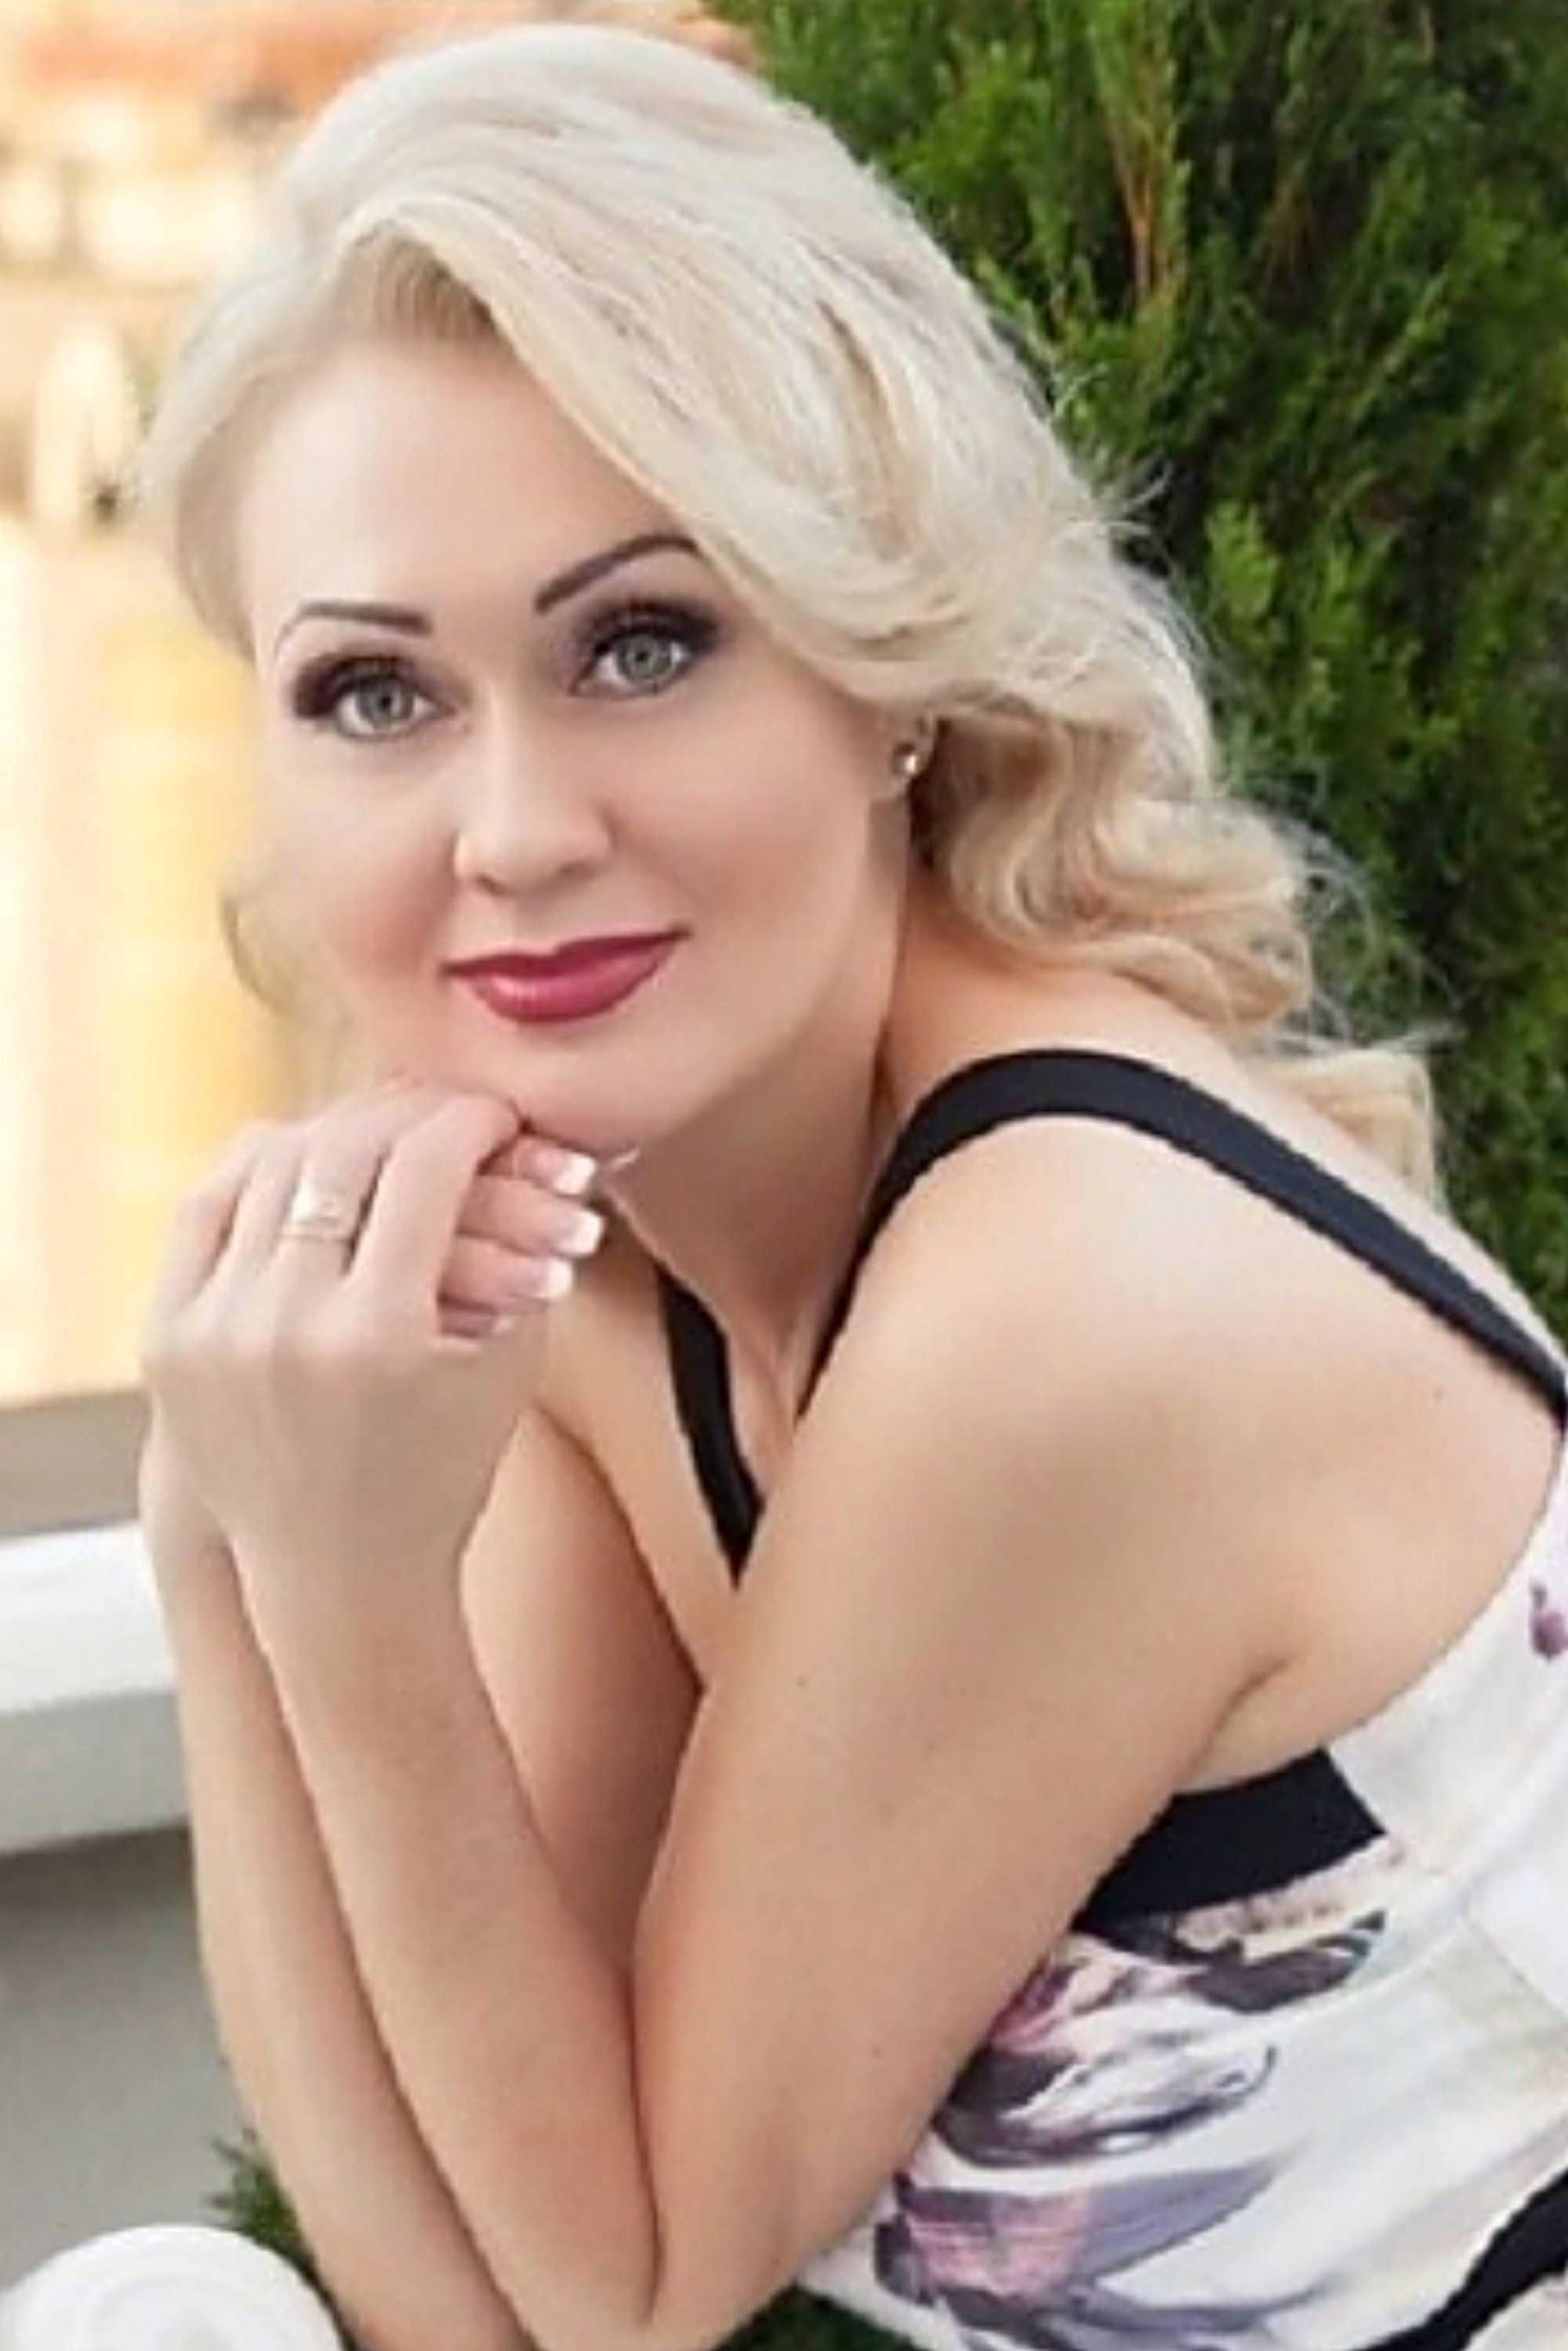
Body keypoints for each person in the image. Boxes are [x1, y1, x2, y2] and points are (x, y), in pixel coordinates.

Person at [25, 11, 1568, 2350]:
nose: (516, 829)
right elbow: (485, 2311)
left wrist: (337, 1587)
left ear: (888, 674)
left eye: (643, 644)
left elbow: (634, 2288)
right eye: (377, 694)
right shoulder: (603, 1266)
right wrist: (218, 1526)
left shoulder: (1065, 1292)